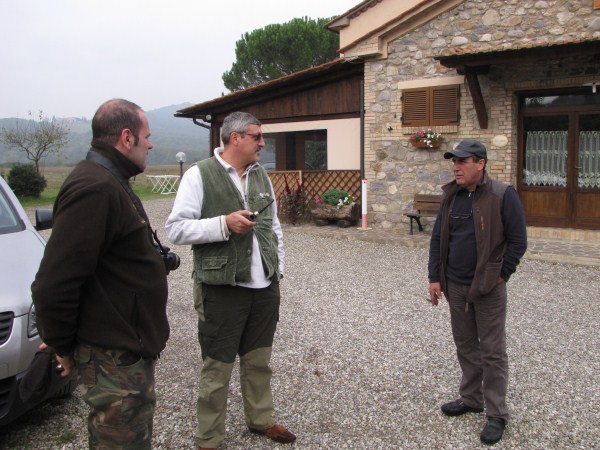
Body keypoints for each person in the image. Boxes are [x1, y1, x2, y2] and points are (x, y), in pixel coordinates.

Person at [31, 99, 173, 449]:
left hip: (122, 351)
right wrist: (62, 344)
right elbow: (54, 283)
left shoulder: (110, 179)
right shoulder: (95, 188)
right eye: (147, 136)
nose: (151, 144)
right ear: (127, 137)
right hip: (112, 359)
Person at [165, 111, 295, 450]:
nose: (263, 143)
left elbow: (274, 227)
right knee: (217, 367)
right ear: (235, 138)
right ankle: (208, 438)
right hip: (221, 289)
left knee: (259, 361)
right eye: (257, 136)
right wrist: (222, 224)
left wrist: (277, 269)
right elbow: (175, 229)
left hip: (265, 288)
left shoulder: (261, 176)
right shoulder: (199, 174)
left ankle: (260, 419)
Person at [427, 139, 527, 446]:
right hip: (455, 285)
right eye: (454, 162)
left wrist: (501, 275)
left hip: (488, 288)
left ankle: (497, 413)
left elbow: (518, 240)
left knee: (492, 351)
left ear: (480, 164)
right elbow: (437, 237)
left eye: (462, 161)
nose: (456, 167)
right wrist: (434, 277)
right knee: (466, 344)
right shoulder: (451, 196)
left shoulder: (502, 195)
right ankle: (471, 399)